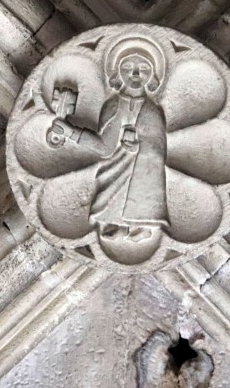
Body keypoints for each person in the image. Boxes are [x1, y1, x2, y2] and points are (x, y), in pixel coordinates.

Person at [47, 37, 168, 263]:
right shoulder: (113, 105)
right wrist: (70, 132)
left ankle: (141, 223)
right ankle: (114, 221)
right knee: (112, 184)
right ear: (117, 74)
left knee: (148, 170)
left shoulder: (152, 110)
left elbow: (158, 146)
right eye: (128, 68)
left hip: (143, 169)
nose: (135, 74)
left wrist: (140, 146)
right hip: (116, 166)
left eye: (142, 69)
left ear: (152, 77)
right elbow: (104, 146)